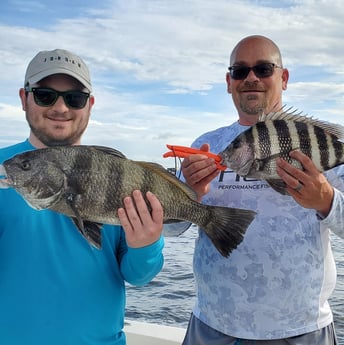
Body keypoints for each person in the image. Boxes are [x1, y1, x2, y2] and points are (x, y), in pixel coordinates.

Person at [181, 35, 344, 344]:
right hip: (212, 325)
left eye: (263, 69)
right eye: (240, 71)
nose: (251, 78)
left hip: (301, 330)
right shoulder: (205, 146)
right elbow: (171, 229)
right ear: (229, 82)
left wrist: (326, 200)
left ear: (283, 77)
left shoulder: (320, 143)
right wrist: (190, 193)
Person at [0, 49, 165, 345]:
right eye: (45, 95)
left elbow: (139, 275)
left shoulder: (117, 174)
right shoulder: (5, 167)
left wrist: (147, 246)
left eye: (74, 98)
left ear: (89, 105)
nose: (61, 108)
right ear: (24, 99)